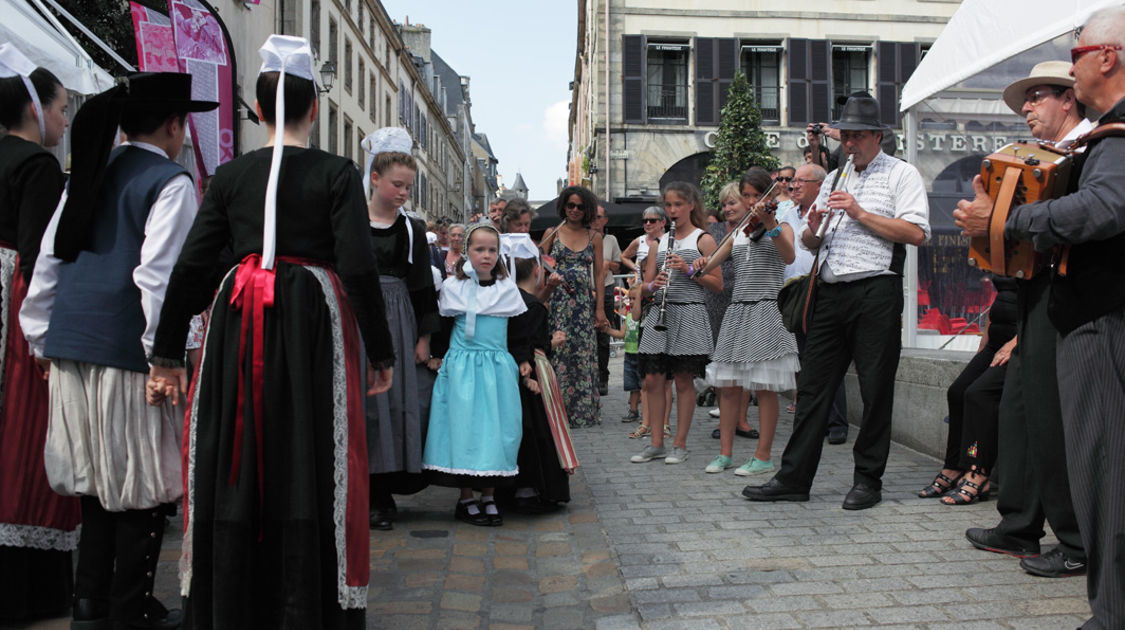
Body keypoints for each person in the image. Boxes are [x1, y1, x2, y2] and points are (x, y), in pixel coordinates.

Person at [146, 36, 394, 629]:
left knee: (236, 447)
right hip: (313, 319)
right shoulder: (337, 173)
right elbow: (358, 266)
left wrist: (166, 352)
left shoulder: (230, 176)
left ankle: (234, 599)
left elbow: (192, 266)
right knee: (311, 446)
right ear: (314, 108)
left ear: (258, 111)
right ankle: (305, 602)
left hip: (237, 318)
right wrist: (380, 352)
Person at [19, 72, 217, 630]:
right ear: (176, 125)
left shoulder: (88, 173)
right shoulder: (170, 182)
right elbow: (158, 280)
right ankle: (127, 610)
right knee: (140, 488)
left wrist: (39, 335)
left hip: (71, 346)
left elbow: (51, 258)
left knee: (95, 482)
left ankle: (91, 606)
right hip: (127, 349)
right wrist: (166, 356)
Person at [958, 15, 1125, 623]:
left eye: (1075, 54)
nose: (1031, 104)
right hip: (1072, 305)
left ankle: (1108, 604)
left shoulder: (1110, 137)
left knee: (1100, 460)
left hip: (1100, 316)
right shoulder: (1094, 143)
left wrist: (1002, 223)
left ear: (1105, 58)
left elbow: (1104, 208)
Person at [743, 93, 929, 510]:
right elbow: (812, 241)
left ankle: (868, 480)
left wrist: (860, 213)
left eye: (858, 135)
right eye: (845, 135)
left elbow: (917, 234)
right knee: (812, 390)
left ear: (877, 135)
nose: (849, 143)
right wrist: (812, 229)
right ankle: (794, 477)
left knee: (875, 389)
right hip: (828, 288)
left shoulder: (902, 174)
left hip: (875, 290)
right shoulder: (833, 177)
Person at [953, 59, 1092, 579]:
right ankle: (1019, 525)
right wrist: (982, 224)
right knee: (1019, 410)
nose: (1027, 108)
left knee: (1054, 419)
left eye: (1036, 97)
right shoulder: (1037, 156)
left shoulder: (1092, 149)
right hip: (1034, 292)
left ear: (1067, 99)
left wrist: (1000, 219)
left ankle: (1076, 539)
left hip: (1072, 296)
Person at [0, 46, 80, 623]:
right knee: (25, 436)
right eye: (59, 110)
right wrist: (43, 339)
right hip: (15, 306)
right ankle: (28, 590)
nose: (64, 120)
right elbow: (37, 256)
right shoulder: (37, 166)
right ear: (34, 110)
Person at [359, 128, 440, 531]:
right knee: (363, 405)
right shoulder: (351, 221)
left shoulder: (411, 228)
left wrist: (423, 337)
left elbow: (423, 287)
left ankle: (385, 490)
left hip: (400, 319)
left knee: (396, 404)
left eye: (409, 186)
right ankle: (363, 488)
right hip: (357, 317)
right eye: (397, 185)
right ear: (375, 179)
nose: (404, 192)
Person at [422, 223, 528, 526]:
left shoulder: (506, 290)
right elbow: (443, 327)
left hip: (496, 370)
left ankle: (489, 495)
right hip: (463, 369)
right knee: (464, 430)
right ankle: (465, 496)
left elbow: (517, 332)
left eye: (492, 250)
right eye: (479, 249)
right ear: (466, 250)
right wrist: (437, 356)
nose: (486, 255)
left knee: (495, 431)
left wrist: (522, 360)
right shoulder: (455, 287)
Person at [697, 175, 799, 477]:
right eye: (746, 195)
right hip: (738, 312)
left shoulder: (780, 227)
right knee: (727, 387)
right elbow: (712, 262)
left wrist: (771, 224)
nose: (752, 201)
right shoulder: (739, 233)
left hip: (766, 309)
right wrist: (697, 265)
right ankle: (725, 454)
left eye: (756, 195)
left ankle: (763, 456)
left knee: (765, 388)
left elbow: (789, 255)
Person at [630, 181, 723, 465]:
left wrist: (689, 270)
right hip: (661, 313)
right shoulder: (658, 243)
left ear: (691, 205)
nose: (672, 211)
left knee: (683, 381)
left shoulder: (703, 239)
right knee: (653, 380)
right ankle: (656, 442)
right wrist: (652, 286)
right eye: (668, 206)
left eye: (678, 205)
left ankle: (679, 444)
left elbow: (717, 285)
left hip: (690, 314)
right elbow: (642, 287)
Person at [918, 277, 1016, 505]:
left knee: (978, 395)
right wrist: (983, 344)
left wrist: (1016, 342)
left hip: (1019, 343)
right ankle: (953, 467)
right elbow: (999, 301)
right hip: (995, 342)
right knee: (957, 392)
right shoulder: (1006, 256)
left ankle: (978, 471)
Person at [781, 163, 849, 442]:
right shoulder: (786, 211)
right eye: (792, 181)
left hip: (821, 289)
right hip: (795, 292)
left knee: (827, 359)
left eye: (800, 181)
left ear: (819, 185)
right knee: (806, 360)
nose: (793, 186)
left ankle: (836, 423)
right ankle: (814, 420)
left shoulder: (828, 211)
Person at [539, 186, 609, 428]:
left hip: (582, 305)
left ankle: (582, 411)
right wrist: (542, 299)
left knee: (582, 355)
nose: (575, 210)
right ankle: (556, 410)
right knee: (558, 353)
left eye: (580, 206)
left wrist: (599, 309)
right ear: (563, 207)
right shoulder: (552, 232)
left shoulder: (595, 237)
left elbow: (599, 274)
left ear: (587, 208)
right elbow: (540, 266)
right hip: (557, 303)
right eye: (571, 205)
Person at [506, 256, 571, 511]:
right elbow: (532, 344)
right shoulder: (533, 306)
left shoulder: (509, 301)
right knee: (538, 429)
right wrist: (552, 343)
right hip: (534, 371)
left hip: (514, 371)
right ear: (537, 271)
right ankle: (533, 487)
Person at [594, 202, 622, 396]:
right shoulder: (582, 238)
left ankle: (603, 377)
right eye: (592, 217)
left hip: (607, 288)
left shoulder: (610, 239)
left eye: (598, 217)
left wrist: (608, 264)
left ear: (605, 220)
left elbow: (618, 267)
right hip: (586, 289)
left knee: (603, 336)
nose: (595, 221)